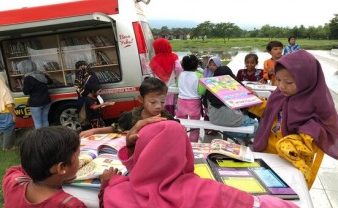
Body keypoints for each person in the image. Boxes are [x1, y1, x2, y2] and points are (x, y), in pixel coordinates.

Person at [99, 120, 299, 208]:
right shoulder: (208, 191)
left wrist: (107, 184)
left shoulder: (117, 191)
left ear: (141, 154)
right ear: (185, 152)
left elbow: (142, 171)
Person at [250, 50, 338, 189]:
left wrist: (296, 141)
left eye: (289, 82)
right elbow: (269, 111)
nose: (281, 86)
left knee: (284, 194)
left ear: (306, 81)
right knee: (263, 189)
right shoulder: (280, 95)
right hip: (268, 153)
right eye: (278, 80)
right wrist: (252, 102)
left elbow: (319, 136)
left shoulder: (316, 105)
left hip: (291, 162)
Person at [2, 126, 86, 207]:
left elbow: (14, 169)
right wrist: (100, 190)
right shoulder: (71, 205)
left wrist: (56, 176)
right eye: (78, 156)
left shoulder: (13, 183)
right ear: (61, 167)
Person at [79, 77, 178, 138]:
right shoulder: (130, 117)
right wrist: (94, 131)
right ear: (141, 99)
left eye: (162, 102)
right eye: (152, 102)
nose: (158, 106)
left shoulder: (167, 118)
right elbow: (115, 128)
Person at [206, 66, 259, 140]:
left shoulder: (209, 88)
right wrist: (247, 91)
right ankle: (230, 133)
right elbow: (245, 105)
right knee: (258, 127)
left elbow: (205, 105)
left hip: (214, 120)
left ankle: (227, 133)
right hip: (234, 121)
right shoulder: (234, 87)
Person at [149, 38, 183, 116]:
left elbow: (151, 75)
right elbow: (179, 69)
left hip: (158, 87)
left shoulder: (154, 60)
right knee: (170, 104)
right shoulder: (174, 57)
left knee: (160, 104)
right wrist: (177, 78)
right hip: (171, 86)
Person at [176, 55, 206, 142]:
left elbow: (178, 85)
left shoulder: (181, 75)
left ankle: (181, 141)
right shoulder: (199, 75)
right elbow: (201, 91)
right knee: (194, 126)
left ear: (183, 65)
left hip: (181, 102)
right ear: (197, 65)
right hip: (194, 103)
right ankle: (193, 143)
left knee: (181, 124)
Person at [18, 60, 53, 129]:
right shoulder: (41, 74)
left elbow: (26, 92)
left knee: (37, 122)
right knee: (45, 119)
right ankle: (47, 135)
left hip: (35, 103)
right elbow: (50, 82)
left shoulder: (28, 78)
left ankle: (40, 138)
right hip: (46, 101)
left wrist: (22, 87)